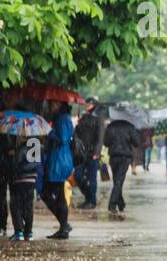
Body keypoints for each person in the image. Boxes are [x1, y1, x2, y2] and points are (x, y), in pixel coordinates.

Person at [40, 102, 74, 239]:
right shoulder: (59, 118)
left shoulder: (63, 118)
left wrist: (49, 132)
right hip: (57, 159)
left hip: (59, 161)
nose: (52, 106)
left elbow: (63, 138)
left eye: (53, 104)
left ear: (59, 105)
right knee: (49, 192)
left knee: (56, 193)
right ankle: (64, 224)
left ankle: (64, 226)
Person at [9, 132, 42, 241]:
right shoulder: (36, 147)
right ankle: (28, 232)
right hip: (31, 180)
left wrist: (13, 155)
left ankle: (19, 232)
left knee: (16, 205)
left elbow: (16, 165)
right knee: (28, 206)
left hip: (20, 179)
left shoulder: (21, 148)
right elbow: (36, 165)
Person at [74, 98, 104, 208]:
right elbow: (78, 134)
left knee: (92, 178)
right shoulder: (83, 117)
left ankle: (91, 201)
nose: (87, 105)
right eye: (86, 103)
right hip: (81, 153)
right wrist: (77, 126)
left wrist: (96, 152)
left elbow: (100, 138)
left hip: (92, 153)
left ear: (94, 105)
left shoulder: (99, 119)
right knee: (77, 176)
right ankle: (89, 196)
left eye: (89, 103)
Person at [103, 118, 137, 215]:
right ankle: (112, 204)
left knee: (117, 181)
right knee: (119, 181)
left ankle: (121, 203)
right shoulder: (130, 126)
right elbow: (136, 143)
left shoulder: (111, 126)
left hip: (113, 156)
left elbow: (106, 142)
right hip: (125, 157)